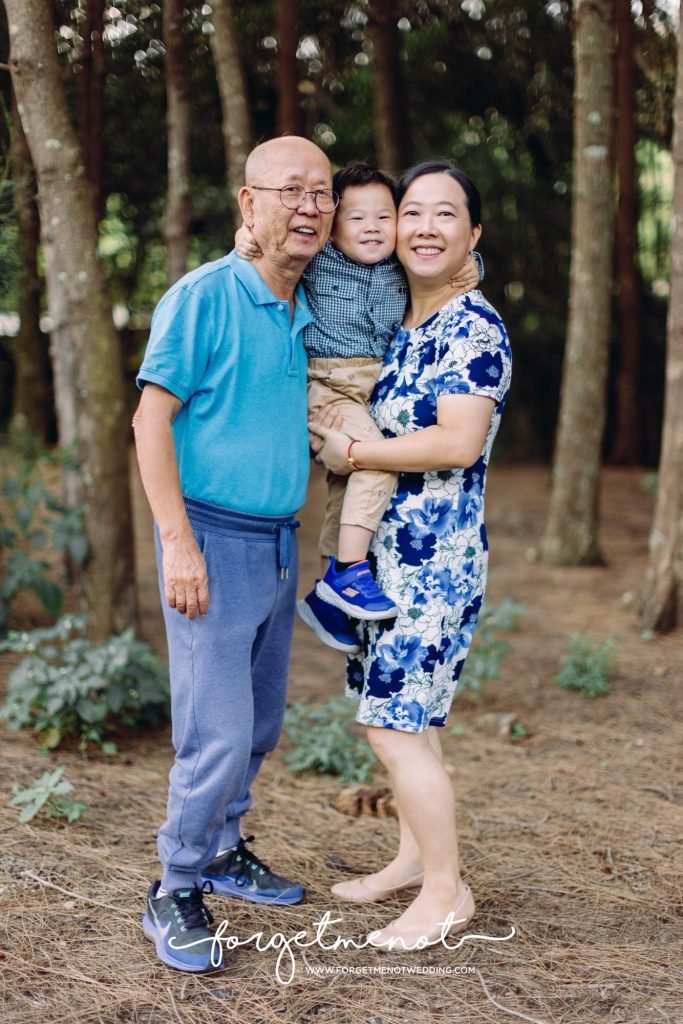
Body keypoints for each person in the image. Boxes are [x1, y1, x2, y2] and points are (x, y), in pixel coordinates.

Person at [132, 136, 337, 973]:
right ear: (247, 204)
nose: (310, 208)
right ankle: (174, 885)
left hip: (277, 544)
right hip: (210, 540)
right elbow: (150, 422)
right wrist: (179, 546)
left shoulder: (304, 308)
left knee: (257, 722)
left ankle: (222, 849)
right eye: (290, 191)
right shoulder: (203, 297)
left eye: (322, 193)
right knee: (214, 729)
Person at [309, 161, 512, 950]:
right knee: (404, 724)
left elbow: (457, 443)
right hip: (381, 563)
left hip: (433, 561)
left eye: (444, 214)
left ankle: (443, 892)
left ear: (472, 234)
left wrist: (354, 454)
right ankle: (408, 858)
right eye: (411, 212)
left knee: (395, 726)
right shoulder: (399, 322)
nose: (423, 227)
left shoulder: (472, 326)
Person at [236, 164, 481, 652]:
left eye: (384, 217)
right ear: (333, 226)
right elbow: (273, 241)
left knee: (344, 486)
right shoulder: (319, 260)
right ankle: (348, 572)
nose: (372, 228)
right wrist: (246, 237)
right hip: (328, 387)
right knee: (377, 463)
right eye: (356, 218)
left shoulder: (399, 266)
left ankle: (331, 590)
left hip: (370, 388)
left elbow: (445, 258)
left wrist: (476, 265)